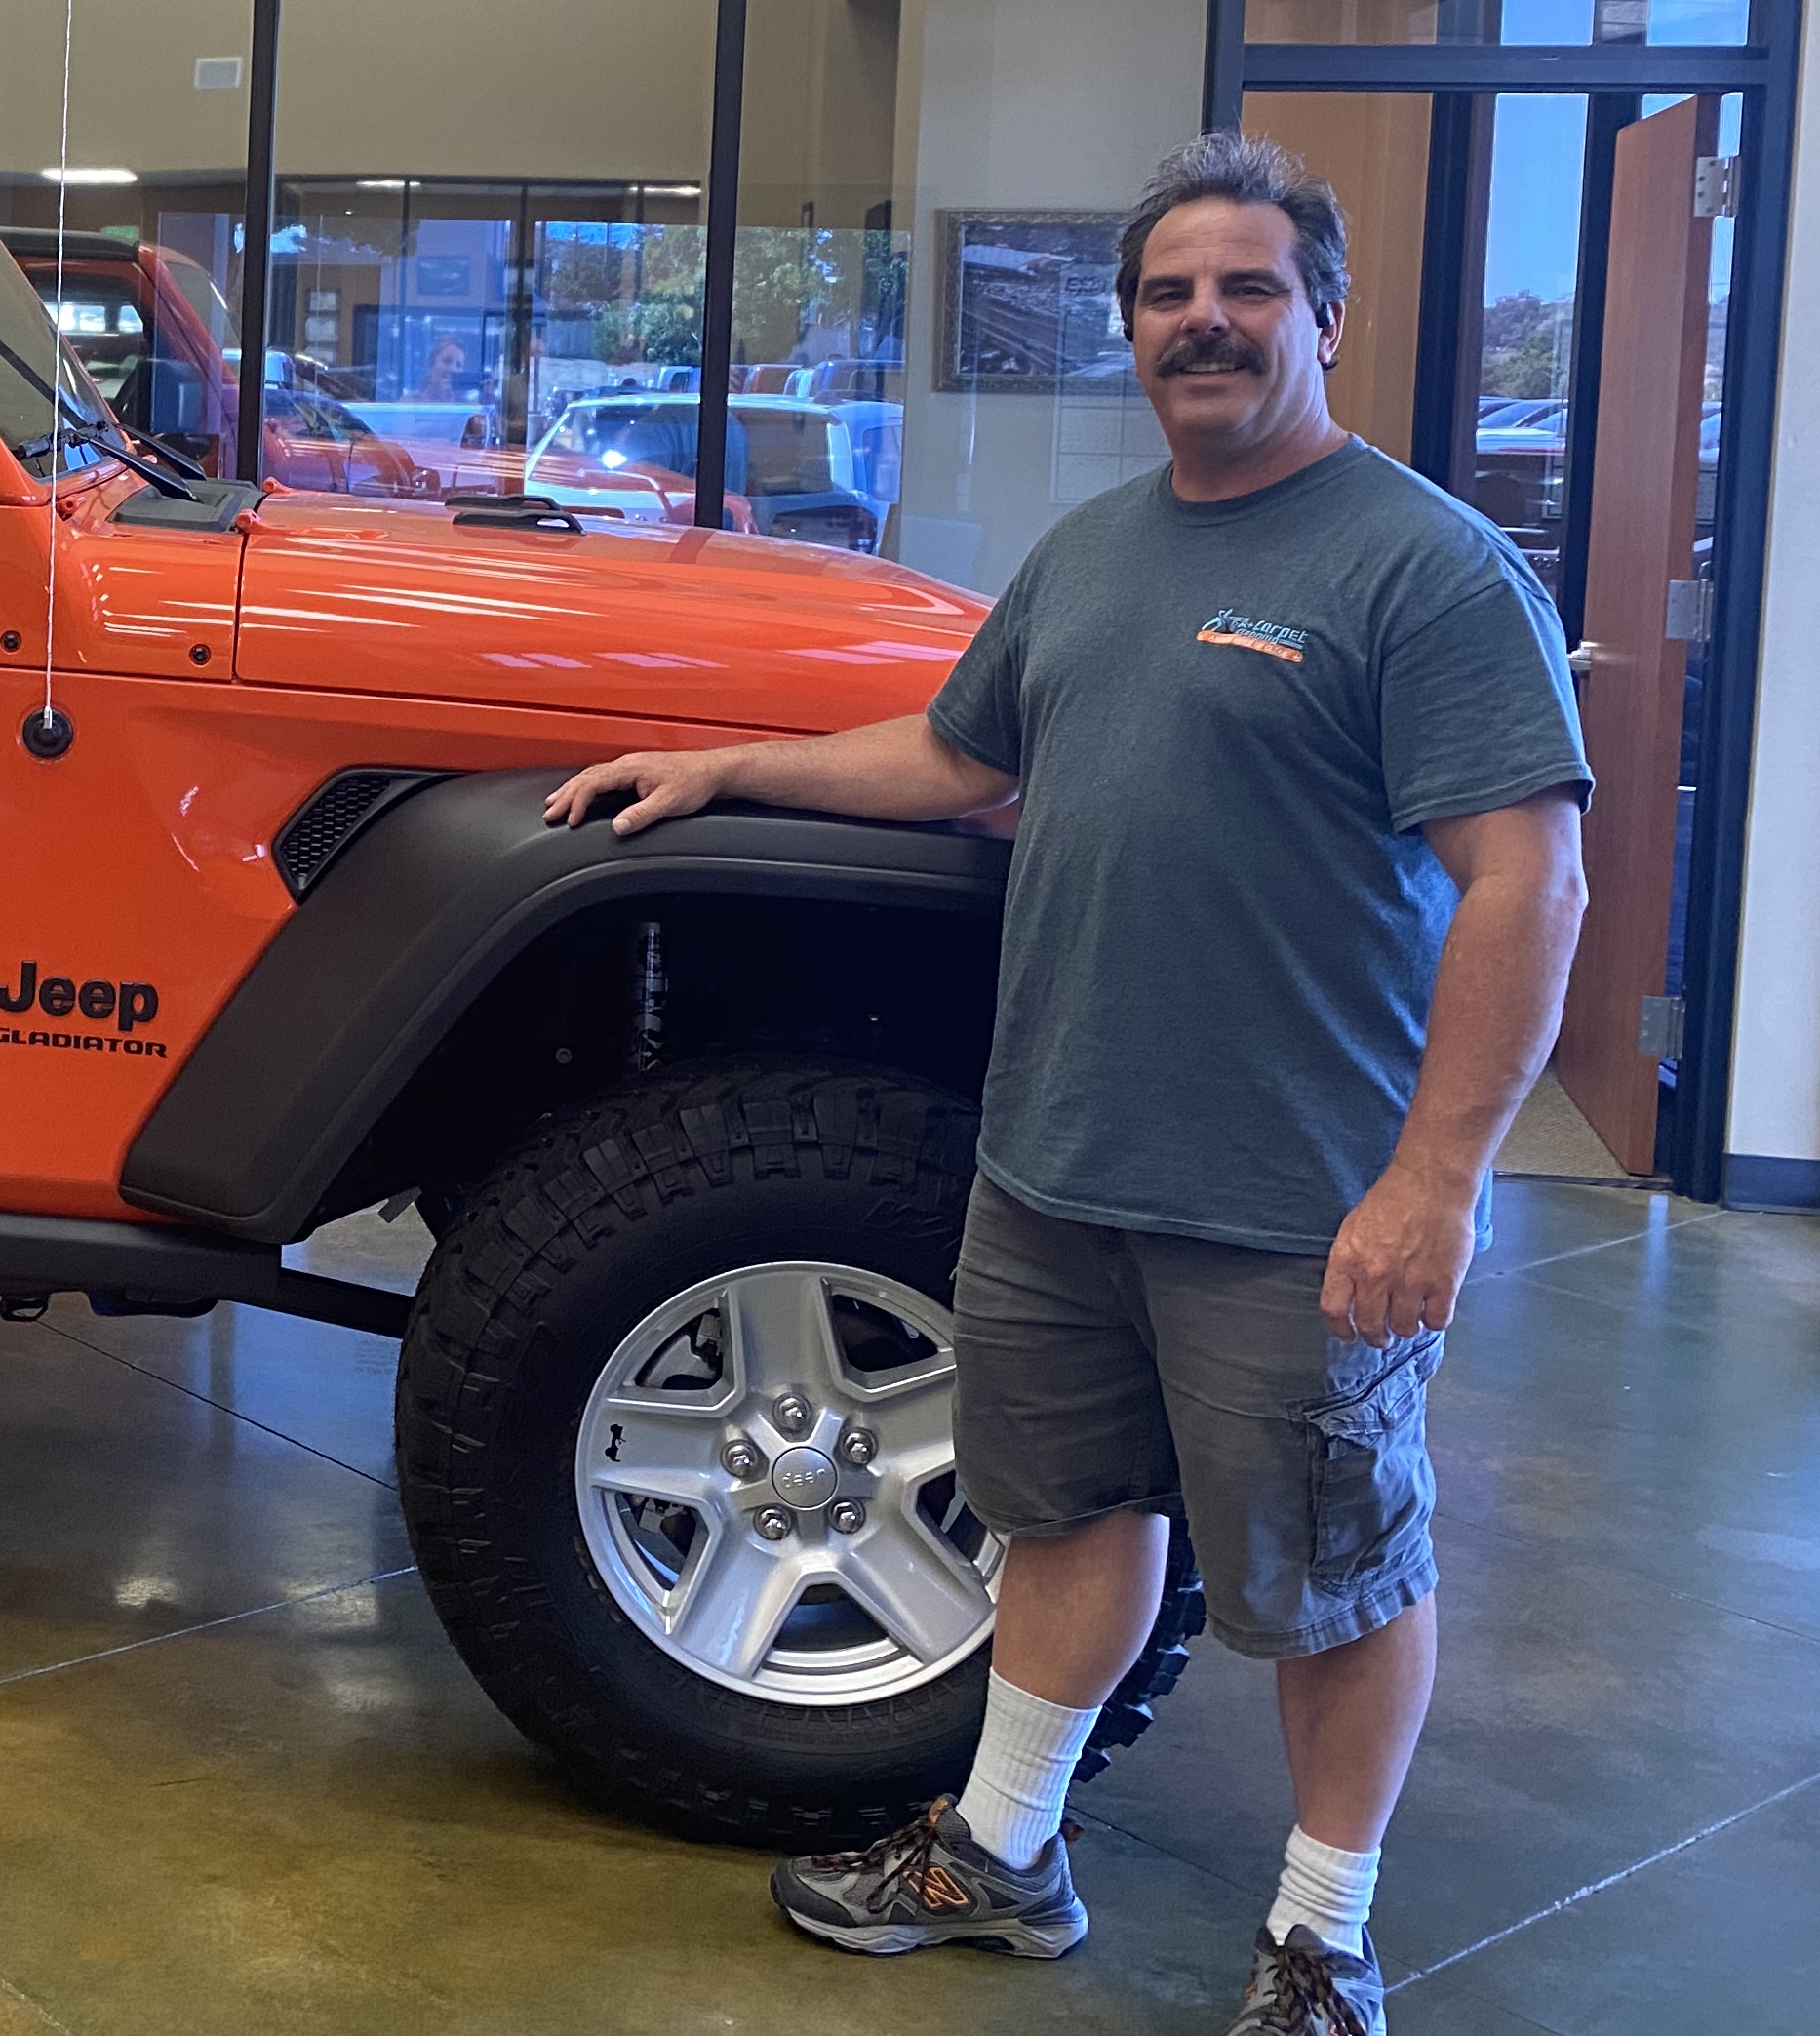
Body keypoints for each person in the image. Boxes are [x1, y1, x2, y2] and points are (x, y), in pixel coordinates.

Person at [547, 133, 1588, 2036]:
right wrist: (729, 768)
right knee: (1065, 1515)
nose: (1206, 320)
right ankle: (1003, 1852)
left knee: (1338, 1578)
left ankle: (1323, 1942)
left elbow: (1530, 881)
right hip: (1053, 1171)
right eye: (1169, 293)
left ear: (1324, 314)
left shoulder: (1426, 569)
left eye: (1249, 286)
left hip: (1296, 1199)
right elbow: (959, 759)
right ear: (1129, 328)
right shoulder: (1095, 553)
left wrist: (1437, 1180)